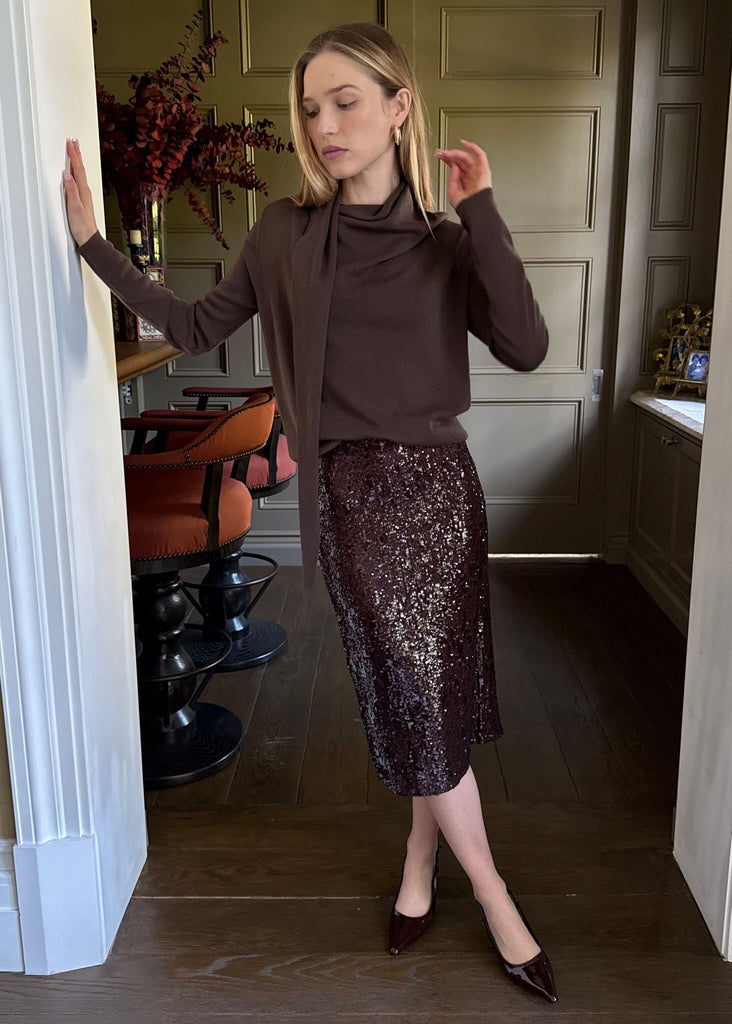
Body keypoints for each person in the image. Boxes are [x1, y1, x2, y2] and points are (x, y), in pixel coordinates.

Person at [63, 21, 557, 1005]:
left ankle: (419, 872)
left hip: (444, 498)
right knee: (419, 700)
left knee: (435, 703)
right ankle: (497, 898)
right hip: (356, 498)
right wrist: (92, 248)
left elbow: (529, 345)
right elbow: (200, 325)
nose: (324, 123)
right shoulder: (286, 234)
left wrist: (485, 211)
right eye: (311, 108)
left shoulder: (448, 245)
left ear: (399, 107)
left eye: (346, 101)